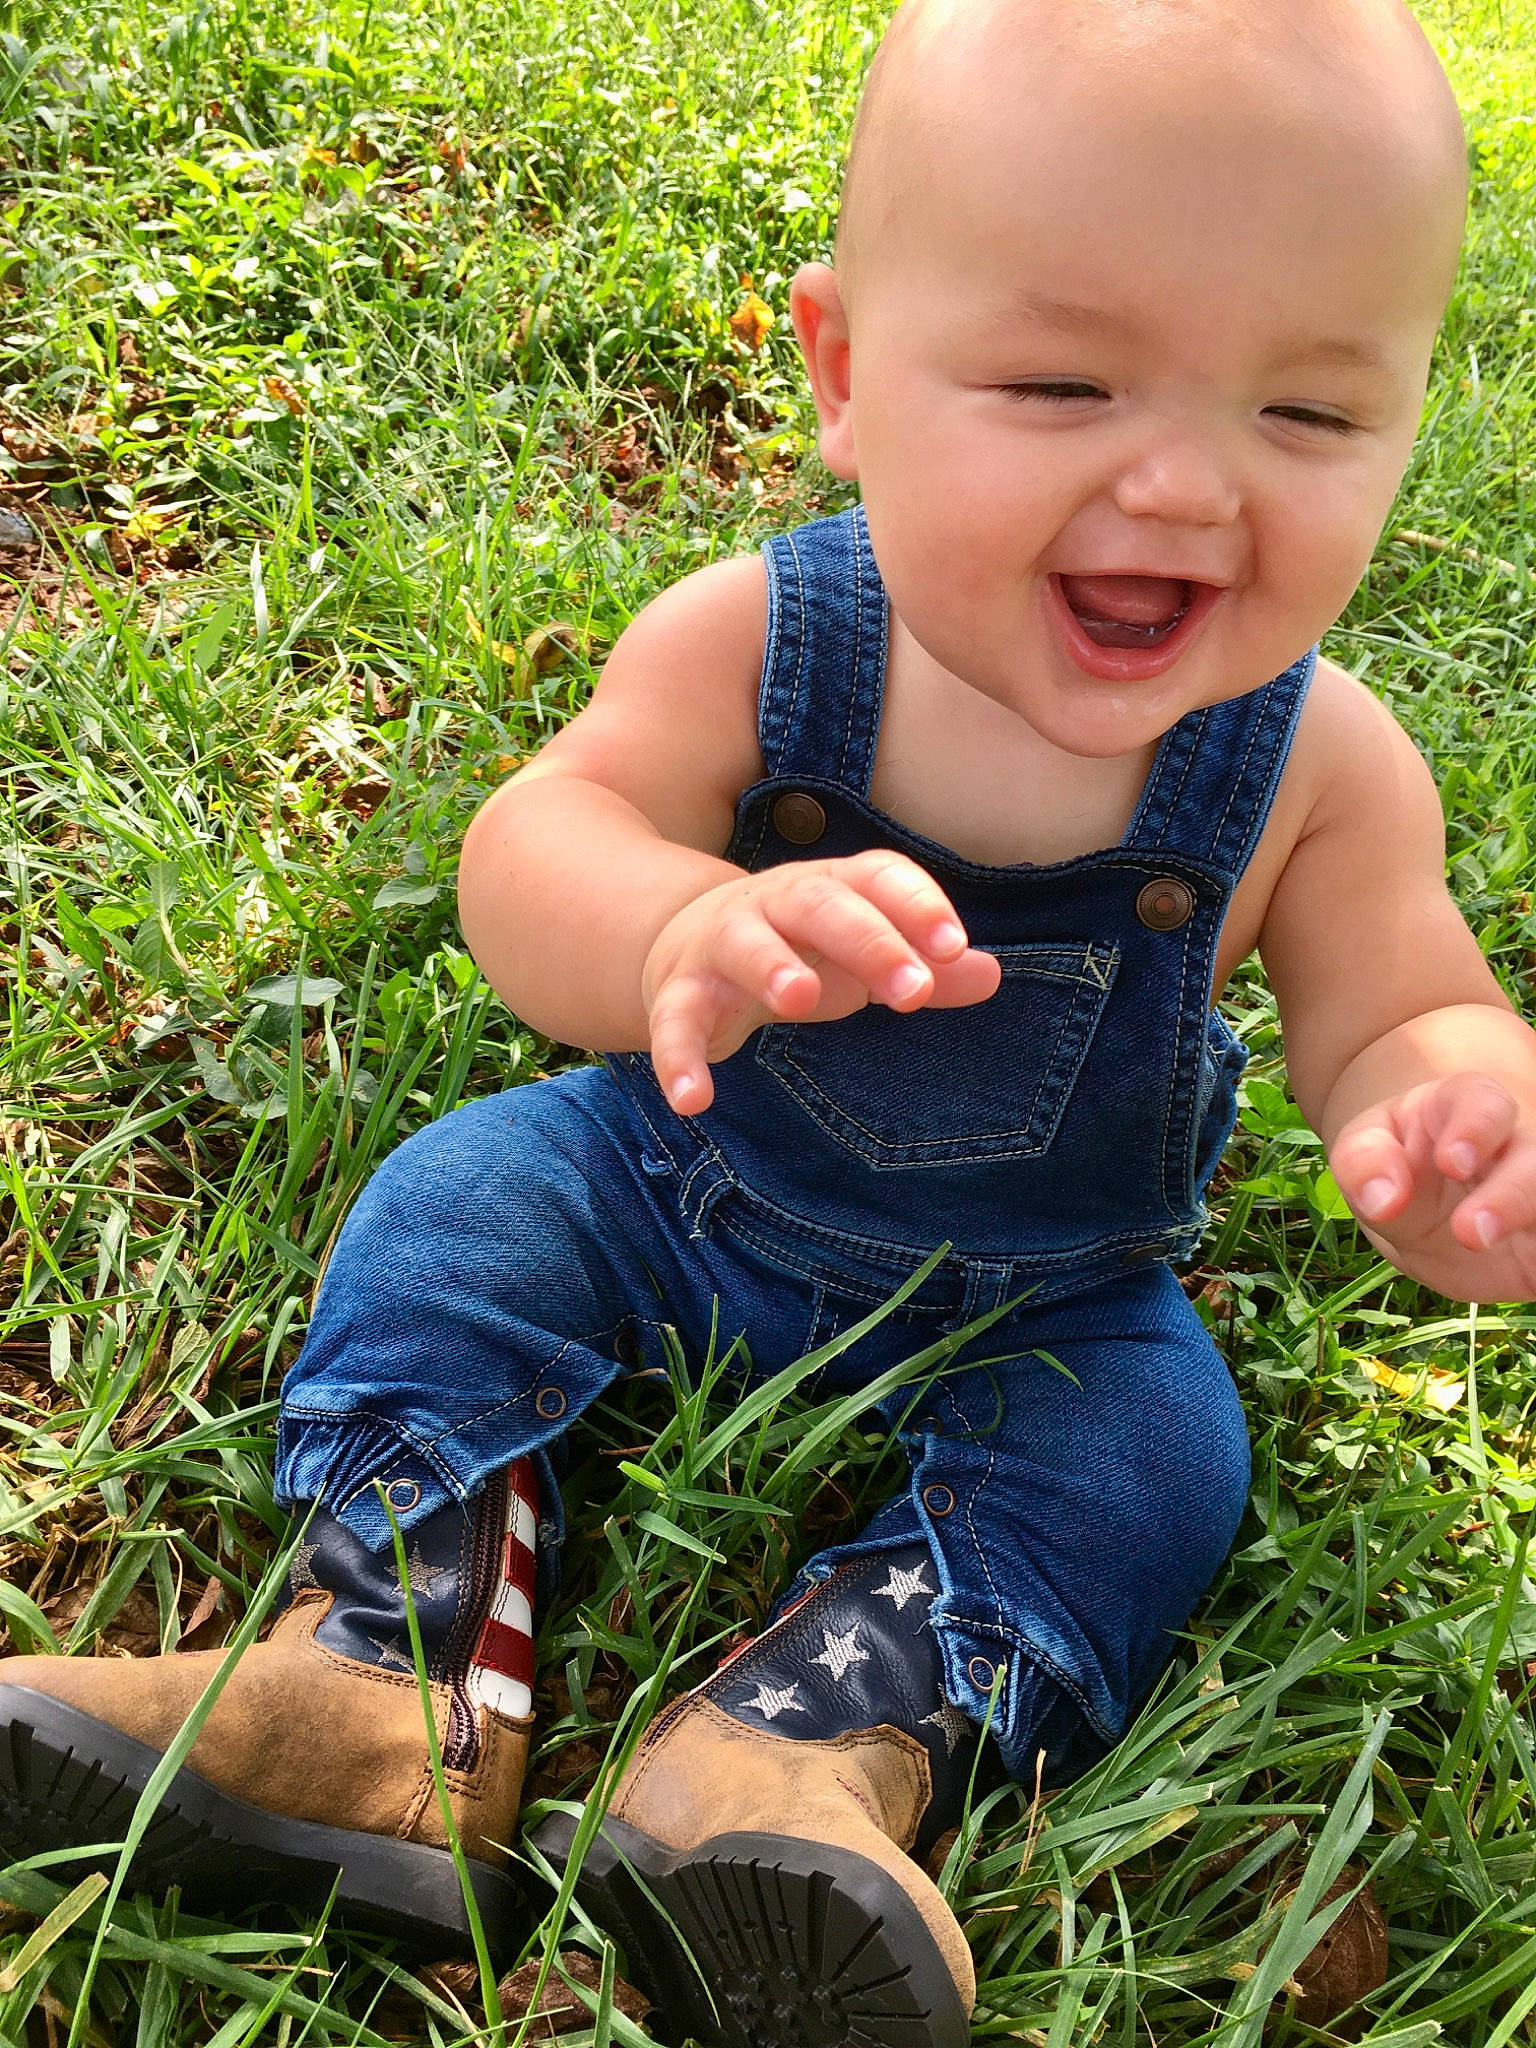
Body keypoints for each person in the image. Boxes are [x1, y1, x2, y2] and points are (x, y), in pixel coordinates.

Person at [3, 0, 1533, 2040]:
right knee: (462, 1206)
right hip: (673, 1178)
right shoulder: (762, 640)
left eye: (1312, 414)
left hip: (1049, 1300)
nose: (1185, 485)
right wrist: (680, 924)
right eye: (1060, 382)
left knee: (1162, 1452)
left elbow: (1404, 1001)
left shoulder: (1320, 768)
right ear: (844, 372)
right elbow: (533, 846)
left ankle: (808, 1745)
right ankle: (383, 1662)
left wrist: (1454, 1108)